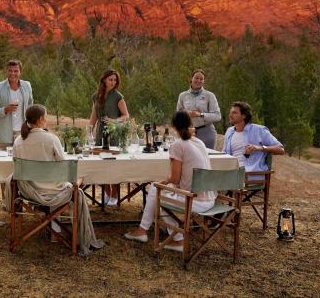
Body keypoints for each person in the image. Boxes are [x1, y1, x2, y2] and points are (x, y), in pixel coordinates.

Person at [13, 104, 104, 255]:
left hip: (29, 191)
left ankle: (53, 229)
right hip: (54, 191)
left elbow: (17, 167)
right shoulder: (51, 139)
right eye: (46, 116)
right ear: (41, 119)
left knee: (56, 183)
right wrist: (78, 180)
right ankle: (56, 231)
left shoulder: (18, 141)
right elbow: (63, 166)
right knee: (66, 184)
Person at [124, 111, 217, 251]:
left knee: (156, 190)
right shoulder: (199, 142)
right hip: (211, 199)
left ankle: (174, 238)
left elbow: (174, 178)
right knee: (157, 188)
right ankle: (144, 231)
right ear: (190, 124)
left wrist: (164, 181)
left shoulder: (178, 145)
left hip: (194, 201)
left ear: (174, 126)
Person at [89, 69, 130, 206]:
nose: (113, 82)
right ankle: (106, 193)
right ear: (104, 80)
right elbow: (94, 115)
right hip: (100, 132)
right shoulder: (96, 96)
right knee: (101, 165)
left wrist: (113, 121)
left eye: (115, 80)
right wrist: (90, 130)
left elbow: (126, 116)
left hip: (113, 132)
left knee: (112, 166)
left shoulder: (118, 96)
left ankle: (115, 195)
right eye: (110, 79)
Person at [223, 101, 284, 173]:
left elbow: (281, 149)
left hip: (250, 174)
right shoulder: (229, 131)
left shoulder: (258, 130)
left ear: (244, 116)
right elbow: (224, 154)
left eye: (234, 113)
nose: (230, 115)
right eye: (230, 112)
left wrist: (259, 148)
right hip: (231, 173)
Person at [0, 59, 34, 149]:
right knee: (4, 163)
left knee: (22, 162)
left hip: (23, 134)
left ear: (20, 72)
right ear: (6, 71)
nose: (12, 74)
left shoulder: (27, 86)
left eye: (16, 71)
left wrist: (31, 126)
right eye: (10, 70)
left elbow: (30, 105)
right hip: (3, 136)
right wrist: (5, 109)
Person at [176, 68, 221, 149]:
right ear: (191, 78)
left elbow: (217, 116)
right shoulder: (183, 95)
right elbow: (178, 114)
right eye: (196, 78)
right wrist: (185, 113)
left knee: (207, 160)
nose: (199, 80)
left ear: (204, 81)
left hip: (207, 132)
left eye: (201, 79)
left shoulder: (210, 95)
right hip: (188, 133)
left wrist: (200, 114)